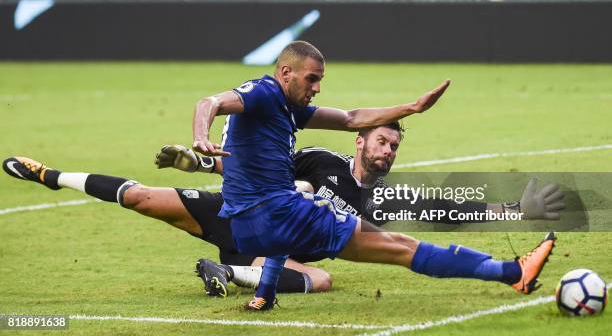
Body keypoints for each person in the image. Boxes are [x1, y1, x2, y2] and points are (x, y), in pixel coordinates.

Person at [2, 121, 565, 298]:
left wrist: (514, 207)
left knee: (320, 280)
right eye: (382, 141)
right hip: (236, 213)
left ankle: (230, 275)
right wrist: (194, 166)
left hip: (280, 251)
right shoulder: (322, 162)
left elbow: (445, 212)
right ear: (362, 142)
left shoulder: (379, 199)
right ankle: (49, 174)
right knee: (142, 198)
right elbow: (255, 170)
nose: (388, 151)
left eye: (396, 146)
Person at [189, 40, 556, 311]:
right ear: (286, 73)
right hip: (273, 215)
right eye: (312, 79)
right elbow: (211, 102)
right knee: (401, 246)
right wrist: (200, 137)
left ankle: (262, 296)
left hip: (247, 226)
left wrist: (411, 108)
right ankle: (512, 272)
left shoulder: (287, 111)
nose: (317, 88)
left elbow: (350, 118)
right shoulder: (266, 92)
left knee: (295, 197)